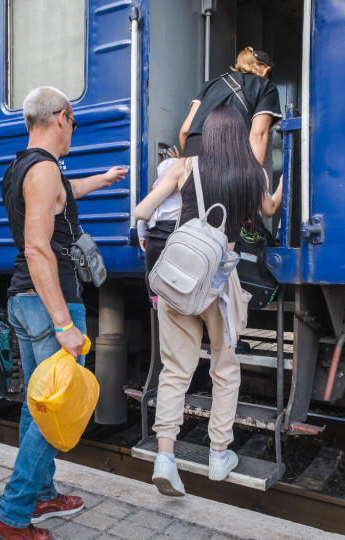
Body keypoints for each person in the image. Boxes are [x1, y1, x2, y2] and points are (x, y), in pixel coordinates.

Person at [0, 87, 128, 540]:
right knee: (55, 411)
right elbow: (38, 248)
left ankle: (42, 496)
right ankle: (10, 516)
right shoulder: (44, 170)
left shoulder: (23, 168)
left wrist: (102, 179)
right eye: (73, 124)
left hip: (24, 301)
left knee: (38, 402)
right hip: (49, 304)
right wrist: (64, 322)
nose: (72, 133)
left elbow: (64, 196)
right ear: (61, 117)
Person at [135, 105, 282, 496]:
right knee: (224, 366)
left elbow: (142, 211)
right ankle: (219, 453)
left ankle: (165, 456)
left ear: (208, 135)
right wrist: (284, 181)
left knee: (175, 369)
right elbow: (269, 209)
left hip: (181, 277)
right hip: (221, 279)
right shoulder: (254, 173)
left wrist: (149, 230)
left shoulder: (184, 167)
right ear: (238, 136)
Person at [179, 47, 281, 164]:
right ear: (265, 70)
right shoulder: (266, 86)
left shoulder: (211, 85)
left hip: (192, 155)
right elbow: (258, 135)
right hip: (227, 155)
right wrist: (257, 178)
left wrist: (186, 165)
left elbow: (185, 130)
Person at [137, 147, 180, 305]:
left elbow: (141, 218)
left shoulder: (157, 193)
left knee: (151, 270)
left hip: (156, 239)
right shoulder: (185, 193)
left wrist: (142, 237)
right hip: (177, 238)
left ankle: (154, 298)